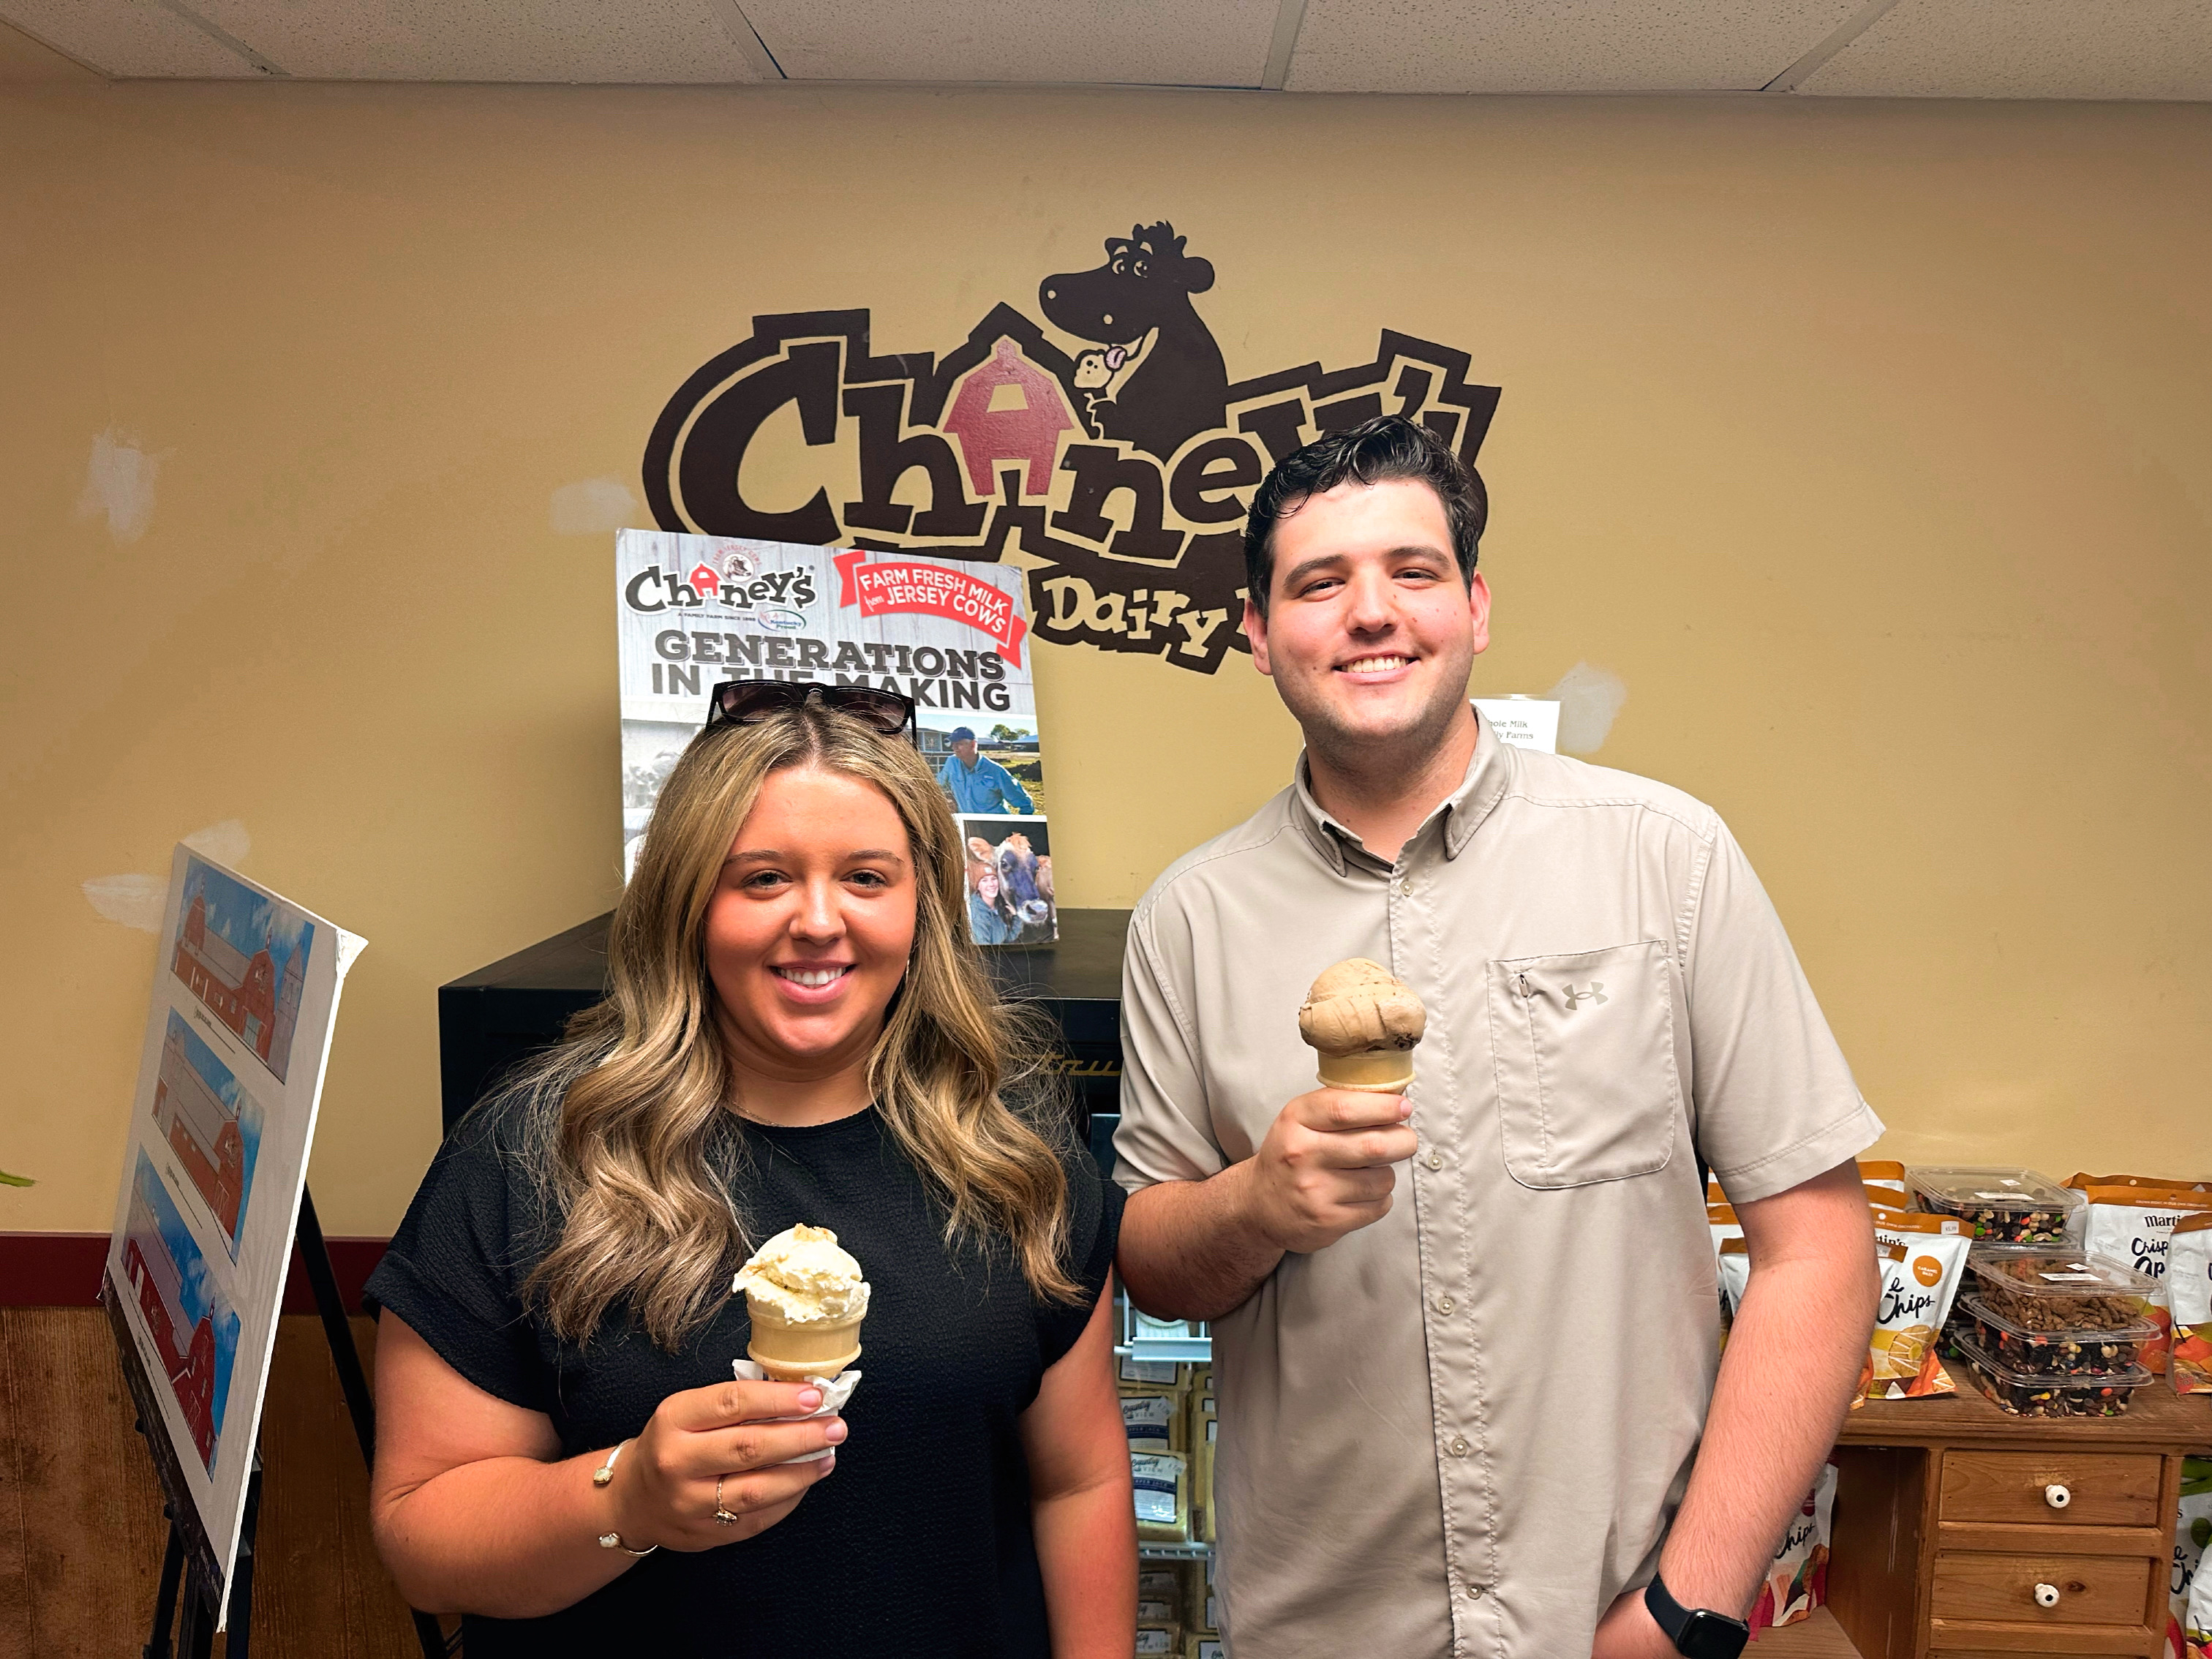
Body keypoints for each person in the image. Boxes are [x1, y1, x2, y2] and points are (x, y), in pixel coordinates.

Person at [1111, 415, 1880, 1659]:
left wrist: (1690, 1606)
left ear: (1473, 606)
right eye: (1318, 582)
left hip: (1613, 1614)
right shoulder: (1186, 919)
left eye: (1410, 572)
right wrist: (1259, 1198)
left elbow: (1817, 1249)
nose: (1370, 611)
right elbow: (1151, 1257)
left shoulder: (1665, 858)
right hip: (1321, 1625)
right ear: (1255, 635)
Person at [366, 679, 1134, 1657]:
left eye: (866, 878)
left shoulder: (1015, 1152)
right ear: (688, 904)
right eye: (762, 878)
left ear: (924, 907)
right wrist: (628, 1497)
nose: (818, 921)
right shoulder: (529, 1156)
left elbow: (1081, 1482)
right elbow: (420, 1538)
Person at [936, 726, 1034, 815]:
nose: (954, 748)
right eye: (953, 744)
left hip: (995, 826)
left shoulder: (995, 770)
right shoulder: (952, 762)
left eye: (959, 744)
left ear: (973, 745)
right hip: (968, 825)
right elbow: (938, 785)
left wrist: (1021, 829)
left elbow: (1025, 804)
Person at [968, 857, 1021, 946]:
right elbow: (984, 951)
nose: (991, 884)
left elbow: (1005, 940)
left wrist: (1016, 917)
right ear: (977, 887)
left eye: (994, 879)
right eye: (984, 880)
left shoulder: (995, 908)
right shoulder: (977, 914)